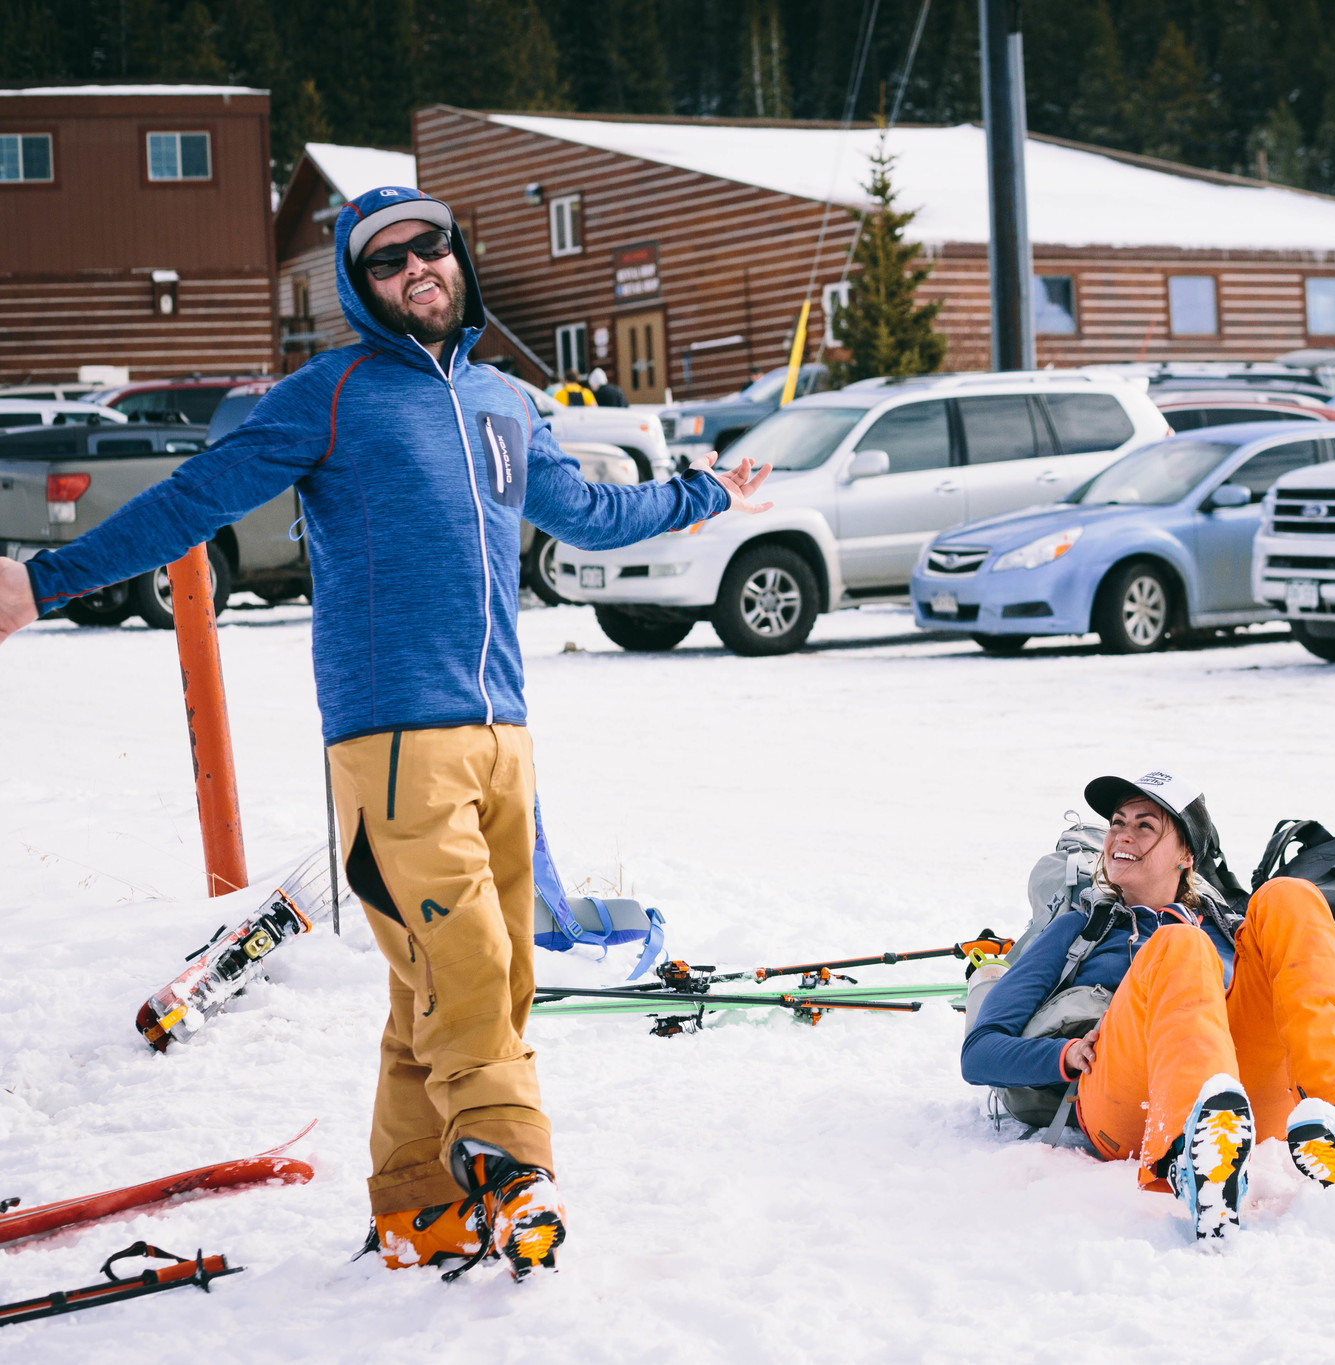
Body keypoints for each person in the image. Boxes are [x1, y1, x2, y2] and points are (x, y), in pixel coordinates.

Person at [0, 185, 774, 1276]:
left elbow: (586, 514)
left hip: (503, 733)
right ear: (360, 291)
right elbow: (194, 500)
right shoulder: (328, 397)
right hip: (391, 739)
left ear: (458, 258)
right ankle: (507, 1156)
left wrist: (704, 496)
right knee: (469, 961)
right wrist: (43, 582)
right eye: (385, 261)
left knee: (445, 986)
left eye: (430, 249)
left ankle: (420, 1208)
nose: (416, 270)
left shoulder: (506, 401)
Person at [961, 770, 1335, 1241]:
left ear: (1186, 854)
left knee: (1291, 895)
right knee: (1178, 944)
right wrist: (1066, 1054)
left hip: (1250, 1099)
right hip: (1125, 1105)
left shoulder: (1224, 927)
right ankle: (1194, 1152)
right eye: (1118, 822)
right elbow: (979, 1052)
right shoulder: (1080, 929)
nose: (1121, 833)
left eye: (1145, 825)